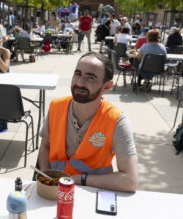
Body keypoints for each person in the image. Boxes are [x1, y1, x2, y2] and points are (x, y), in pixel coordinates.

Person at [37, 52, 138, 192]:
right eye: (77, 74)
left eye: (90, 78)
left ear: (107, 87)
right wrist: (46, 176)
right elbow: (45, 147)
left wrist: (81, 179)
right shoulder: (56, 106)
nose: (79, 83)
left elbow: (130, 181)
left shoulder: (117, 121)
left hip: (93, 192)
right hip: (55, 192)